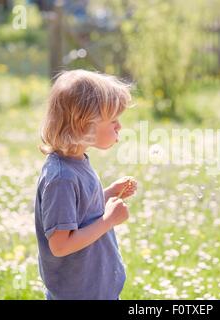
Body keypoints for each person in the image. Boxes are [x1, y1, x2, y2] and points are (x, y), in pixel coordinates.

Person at [34, 69, 137, 300]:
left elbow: (77, 211)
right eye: (113, 120)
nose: (119, 127)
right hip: (78, 294)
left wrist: (108, 193)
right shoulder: (61, 178)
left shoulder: (76, 161)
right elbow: (60, 245)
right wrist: (108, 220)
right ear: (84, 125)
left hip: (92, 287)